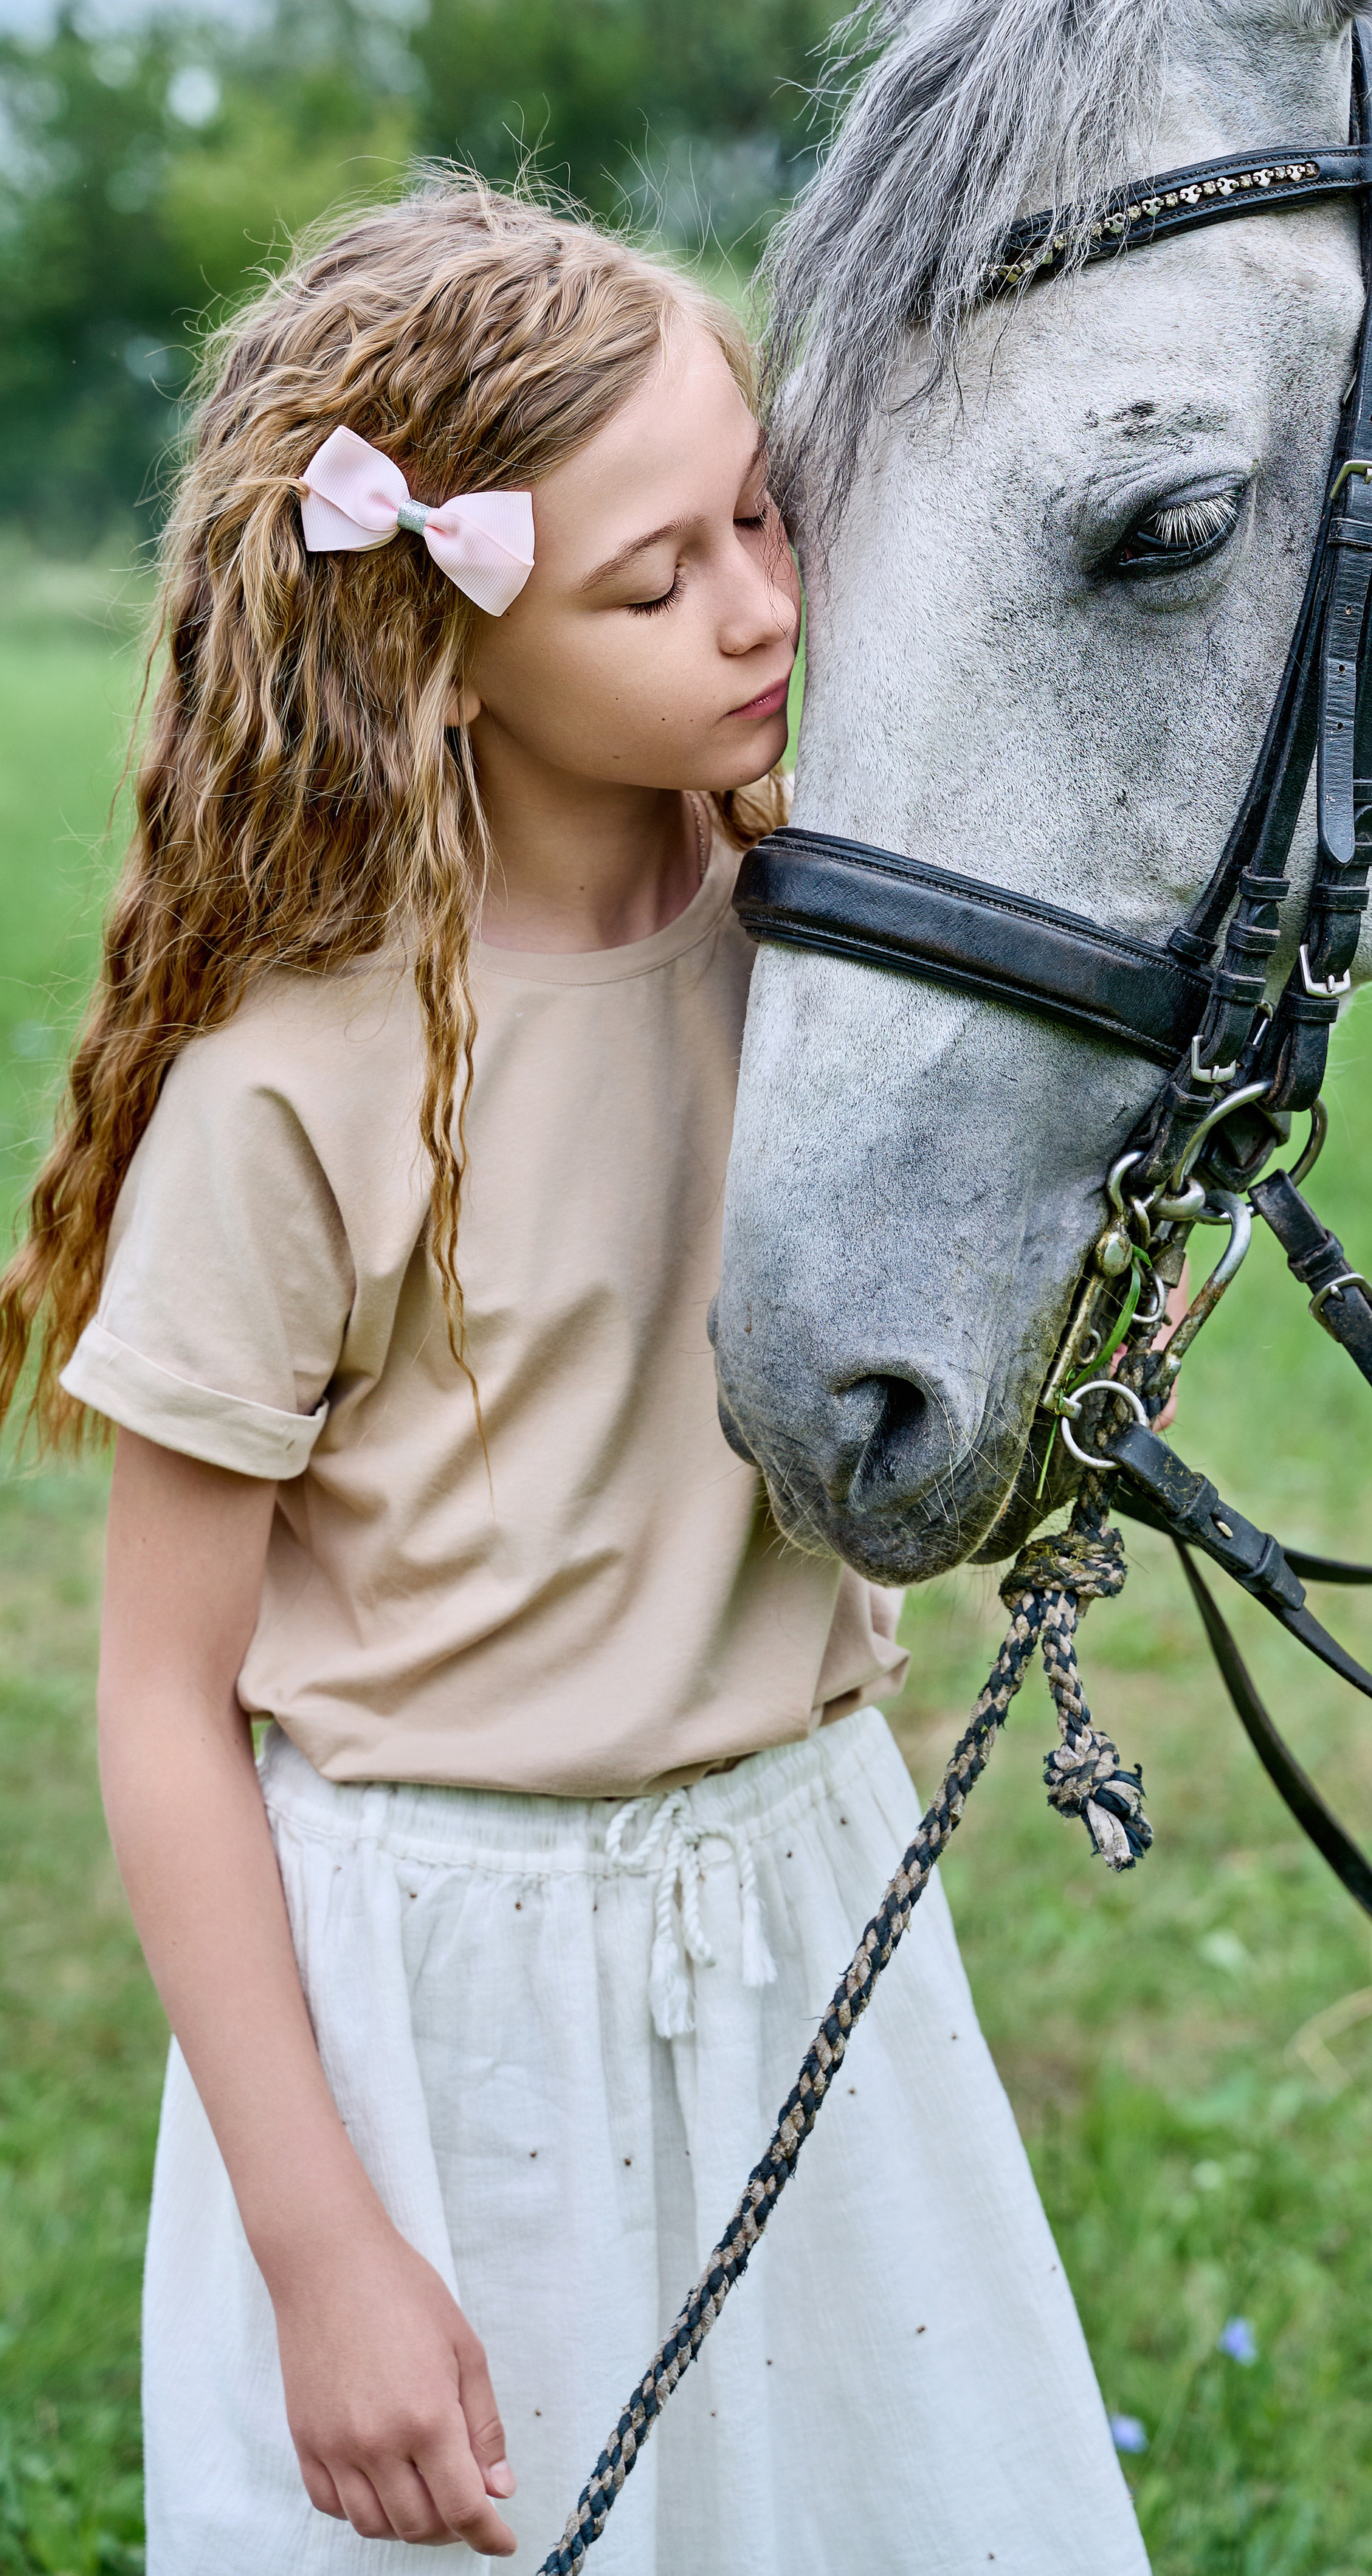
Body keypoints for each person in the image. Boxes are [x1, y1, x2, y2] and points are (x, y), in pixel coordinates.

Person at [0, 179, 1151, 2575]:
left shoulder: (837, 975)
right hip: (445, 2019)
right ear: (441, 652)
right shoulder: (294, 1085)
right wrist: (324, 2250)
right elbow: (162, 1707)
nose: (761, 608)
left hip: (807, 1913)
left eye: (763, 517)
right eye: (654, 582)